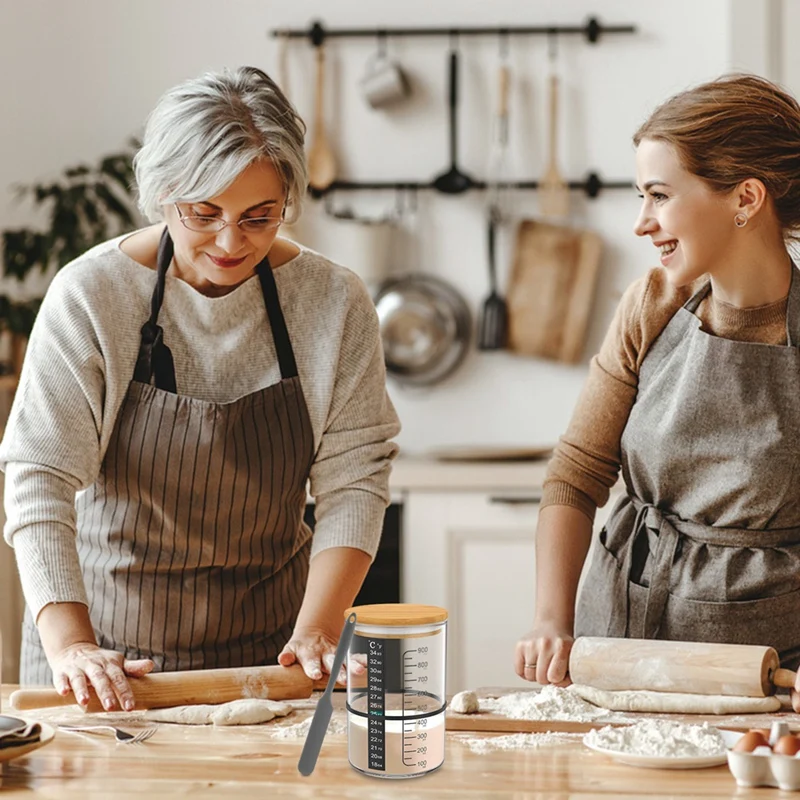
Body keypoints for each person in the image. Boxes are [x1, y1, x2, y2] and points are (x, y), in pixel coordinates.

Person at [0, 66, 399, 712]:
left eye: (259, 216)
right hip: (108, 665)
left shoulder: (332, 301)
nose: (230, 240)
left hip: (272, 661)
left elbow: (356, 477)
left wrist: (319, 629)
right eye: (204, 213)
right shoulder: (93, 296)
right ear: (162, 195)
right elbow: (38, 476)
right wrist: (70, 644)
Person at [514, 74, 800, 710]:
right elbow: (576, 473)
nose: (642, 223)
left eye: (659, 196)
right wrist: (550, 619)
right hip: (615, 639)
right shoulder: (650, 306)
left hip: (764, 674)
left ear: (746, 198)